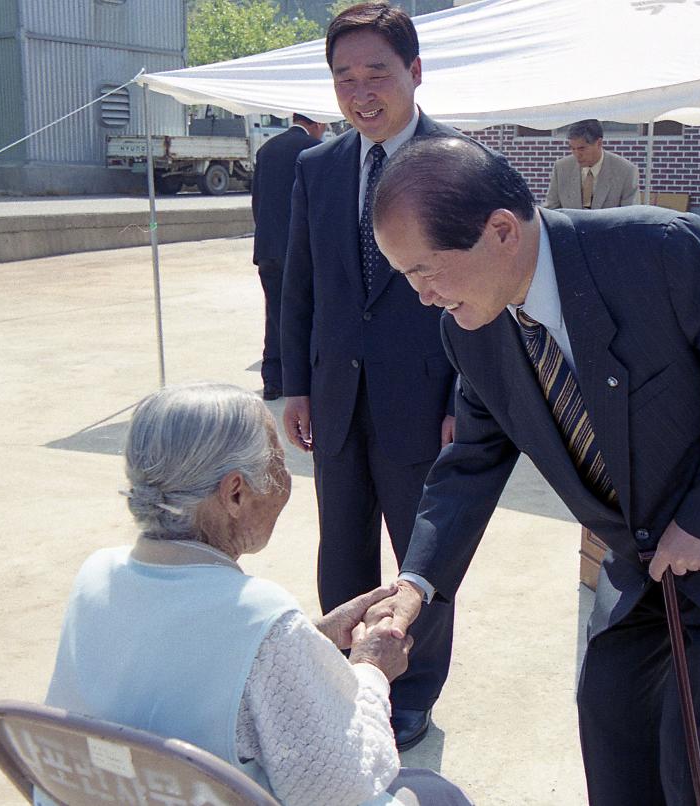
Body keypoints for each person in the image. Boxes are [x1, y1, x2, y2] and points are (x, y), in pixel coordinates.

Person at [366, 137, 700, 806]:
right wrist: (417, 582)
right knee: (610, 722)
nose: (421, 296)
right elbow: (471, 463)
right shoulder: (470, 329)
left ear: (500, 231)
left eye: (425, 270)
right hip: (642, 557)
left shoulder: (662, 251)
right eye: (406, 278)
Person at [42, 383, 472, 806]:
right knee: (436, 793)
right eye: (278, 466)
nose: (285, 483)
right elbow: (346, 786)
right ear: (234, 492)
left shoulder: (96, 573)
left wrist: (309, 639)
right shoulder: (263, 618)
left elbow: (195, 655)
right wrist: (371, 669)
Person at [279, 2, 460, 750]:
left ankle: (412, 690)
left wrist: (467, 402)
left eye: (376, 72)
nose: (360, 91)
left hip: (426, 400)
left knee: (423, 560)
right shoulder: (317, 167)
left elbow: (490, 299)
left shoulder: (458, 163)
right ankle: (350, 674)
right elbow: (299, 284)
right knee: (342, 548)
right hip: (335, 394)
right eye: (343, 76)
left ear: (413, 73)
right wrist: (292, 383)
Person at [251, 113, 328, 400]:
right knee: (303, 314)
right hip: (301, 251)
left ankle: (273, 379)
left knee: (274, 313)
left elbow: (257, 200)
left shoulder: (266, 149)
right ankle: (301, 378)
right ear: (317, 124)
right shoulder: (314, 151)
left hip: (268, 248)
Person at [543, 119, 639, 210]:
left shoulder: (626, 171)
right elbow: (550, 210)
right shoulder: (561, 168)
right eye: (572, 148)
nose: (576, 154)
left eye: (582, 149)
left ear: (599, 143)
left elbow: (631, 218)